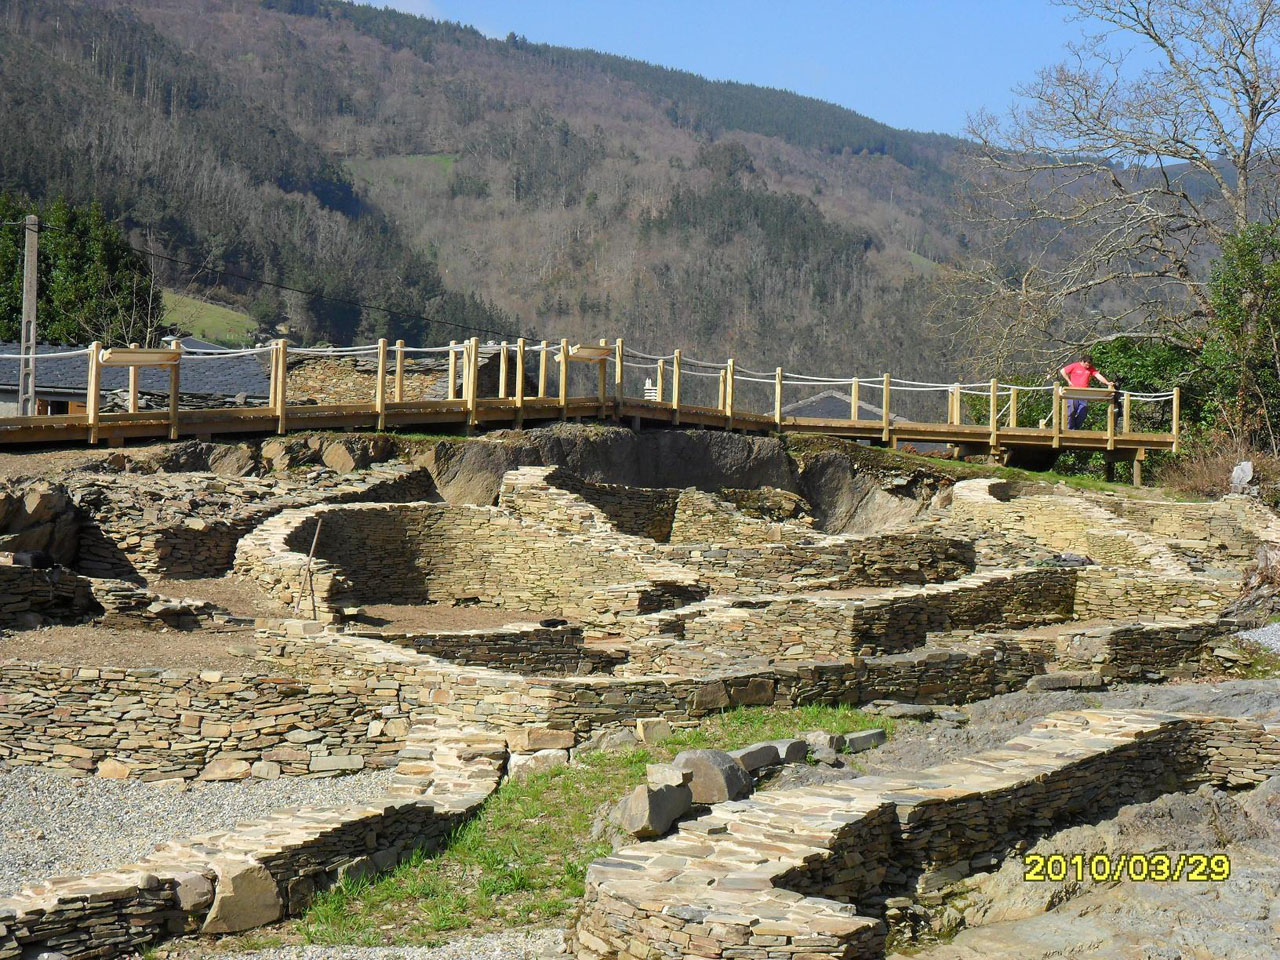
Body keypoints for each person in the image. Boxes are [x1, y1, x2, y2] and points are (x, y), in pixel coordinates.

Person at [1060, 353, 1114, 429]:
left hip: (1084, 393)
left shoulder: (1090, 368)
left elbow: (1098, 375)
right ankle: (1070, 428)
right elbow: (1062, 371)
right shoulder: (1075, 365)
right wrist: (1068, 381)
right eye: (1086, 365)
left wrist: (1107, 382)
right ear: (1082, 361)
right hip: (1073, 392)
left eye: (1089, 365)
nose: (1088, 366)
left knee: (1083, 411)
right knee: (1072, 410)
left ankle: (1075, 428)